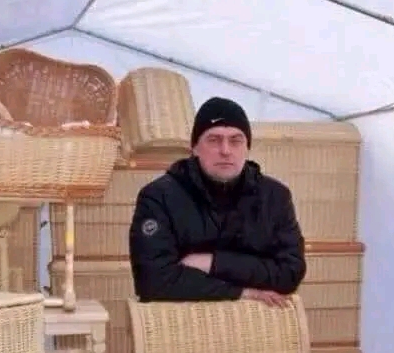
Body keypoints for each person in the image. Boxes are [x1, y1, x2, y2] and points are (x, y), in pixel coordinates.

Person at [128, 96, 307, 306]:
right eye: (214, 140)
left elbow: (290, 273)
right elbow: (153, 280)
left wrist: (212, 262)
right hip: (180, 323)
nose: (225, 150)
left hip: (258, 324)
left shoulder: (274, 197)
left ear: (247, 148)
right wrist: (241, 292)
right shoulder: (159, 197)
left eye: (235, 140)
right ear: (195, 148)